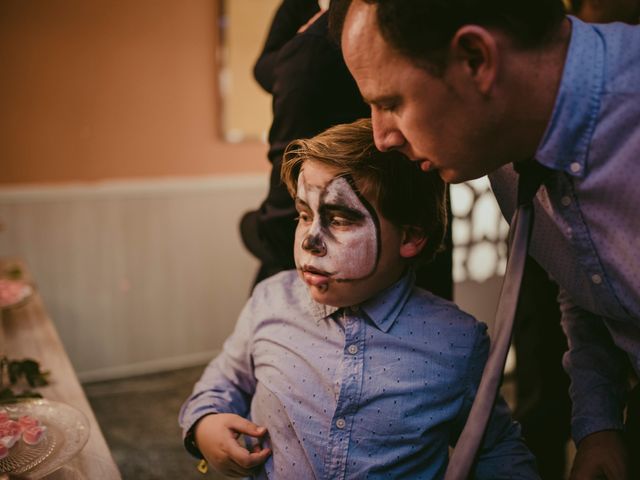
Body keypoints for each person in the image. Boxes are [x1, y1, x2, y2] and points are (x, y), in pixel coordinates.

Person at [333, 1, 640, 478]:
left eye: (391, 103)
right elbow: (590, 277)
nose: (381, 137)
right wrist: (600, 423)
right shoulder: (504, 149)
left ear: (476, 59)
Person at [180, 119, 538, 479]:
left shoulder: (457, 342)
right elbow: (224, 380)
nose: (309, 240)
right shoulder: (269, 301)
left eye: (339, 220)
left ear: (411, 237)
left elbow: (496, 448)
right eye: (304, 215)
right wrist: (203, 424)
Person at [240, 0, 454, 300]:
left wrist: (247, 227)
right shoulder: (305, 43)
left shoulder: (310, 59)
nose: (383, 137)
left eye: (391, 104)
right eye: (304, 216)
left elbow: (278, 228)